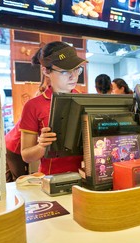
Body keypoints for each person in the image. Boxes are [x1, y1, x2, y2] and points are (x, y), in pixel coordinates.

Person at [20, 41, 87, 175]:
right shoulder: (33, 106)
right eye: (64, 71)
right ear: (46, 71)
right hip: (51, 179)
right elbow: (26, 156)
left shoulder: (86, 100)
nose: (73, 76)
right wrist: (41, 146)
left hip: (84, 177)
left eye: (76, 69)